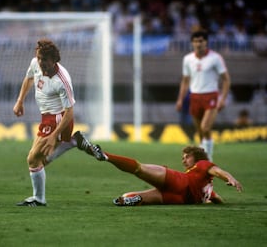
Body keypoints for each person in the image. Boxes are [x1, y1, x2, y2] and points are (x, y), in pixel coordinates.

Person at [73, 131, 243, 206]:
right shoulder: (208, 190)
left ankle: (106, 156)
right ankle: (134, 200)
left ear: (197, 156)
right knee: (129, 197)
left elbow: (218, 171)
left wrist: (230, 178)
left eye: (187, 156)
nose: (184, 160)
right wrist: (222, 203)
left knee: (139, 168)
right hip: (179, 200)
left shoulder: (202, 164)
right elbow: (216, 198)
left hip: (178, 183)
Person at [13, 38, 77, 207]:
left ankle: (39, 200)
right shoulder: (35, 63)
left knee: (33, 159)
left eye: (45, 60)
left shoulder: (62, 81)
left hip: (58, 118)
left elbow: (70, 112)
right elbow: (29, 79)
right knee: (38, 161)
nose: (41, 62)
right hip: (46, 117)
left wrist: (54, 135)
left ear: (54, 60)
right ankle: (69, 143)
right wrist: (20, 101)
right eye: (39, 58)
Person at [176, 29, 231, 162]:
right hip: (194, 96)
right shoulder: (188, 59)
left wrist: (222, 99)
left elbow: (226, 79)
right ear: (192, 43)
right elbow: (185, 80)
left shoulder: (215, 58)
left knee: (205, 127)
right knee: (200, 132)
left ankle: (209, 158)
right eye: (195, 41)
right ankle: (202, 159)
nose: (198, 44)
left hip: (211, 96)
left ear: (206, 42)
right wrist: (180, 99)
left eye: (201, 41)